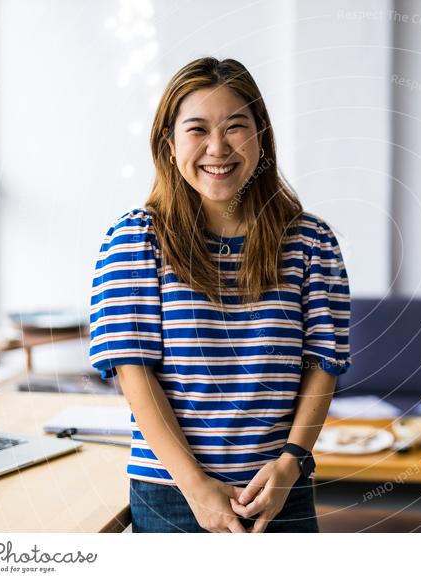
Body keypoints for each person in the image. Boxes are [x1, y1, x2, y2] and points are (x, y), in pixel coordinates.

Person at [88, 57, 352, 533]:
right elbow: (135, 374)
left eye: (235, 127)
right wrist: (195, 485)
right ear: (169, 144)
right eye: (196, 130)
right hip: (172, 494)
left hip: (280, 491)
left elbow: (323, 365)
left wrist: (290, 463)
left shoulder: (312, 243)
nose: (217, 148)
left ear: (261, 137)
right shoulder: (134, 240)